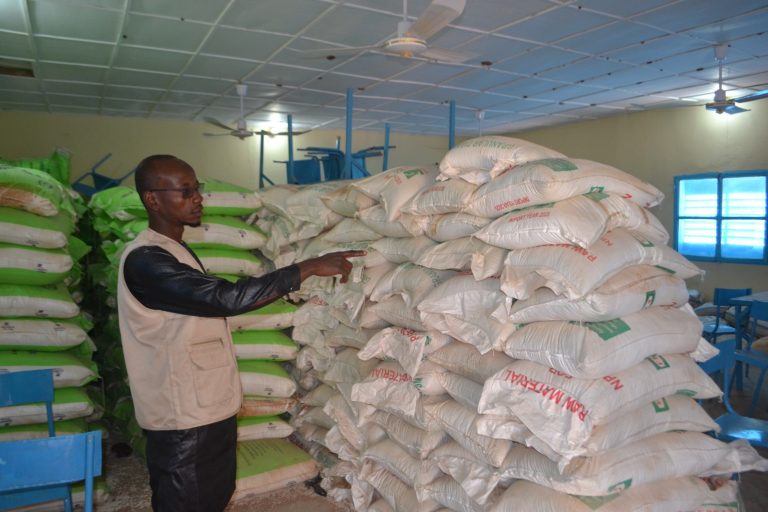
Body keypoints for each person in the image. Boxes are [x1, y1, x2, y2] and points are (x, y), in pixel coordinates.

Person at [116, 154, 363, 512]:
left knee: (213, 493)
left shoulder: (174, 251)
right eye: (185, 191)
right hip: (181, 413)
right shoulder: (146, 261)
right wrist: (307, 267)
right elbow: (224, 298)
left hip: (204, 403)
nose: (197, 198)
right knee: (187, 500)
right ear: (152, 199)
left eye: (197, 189)